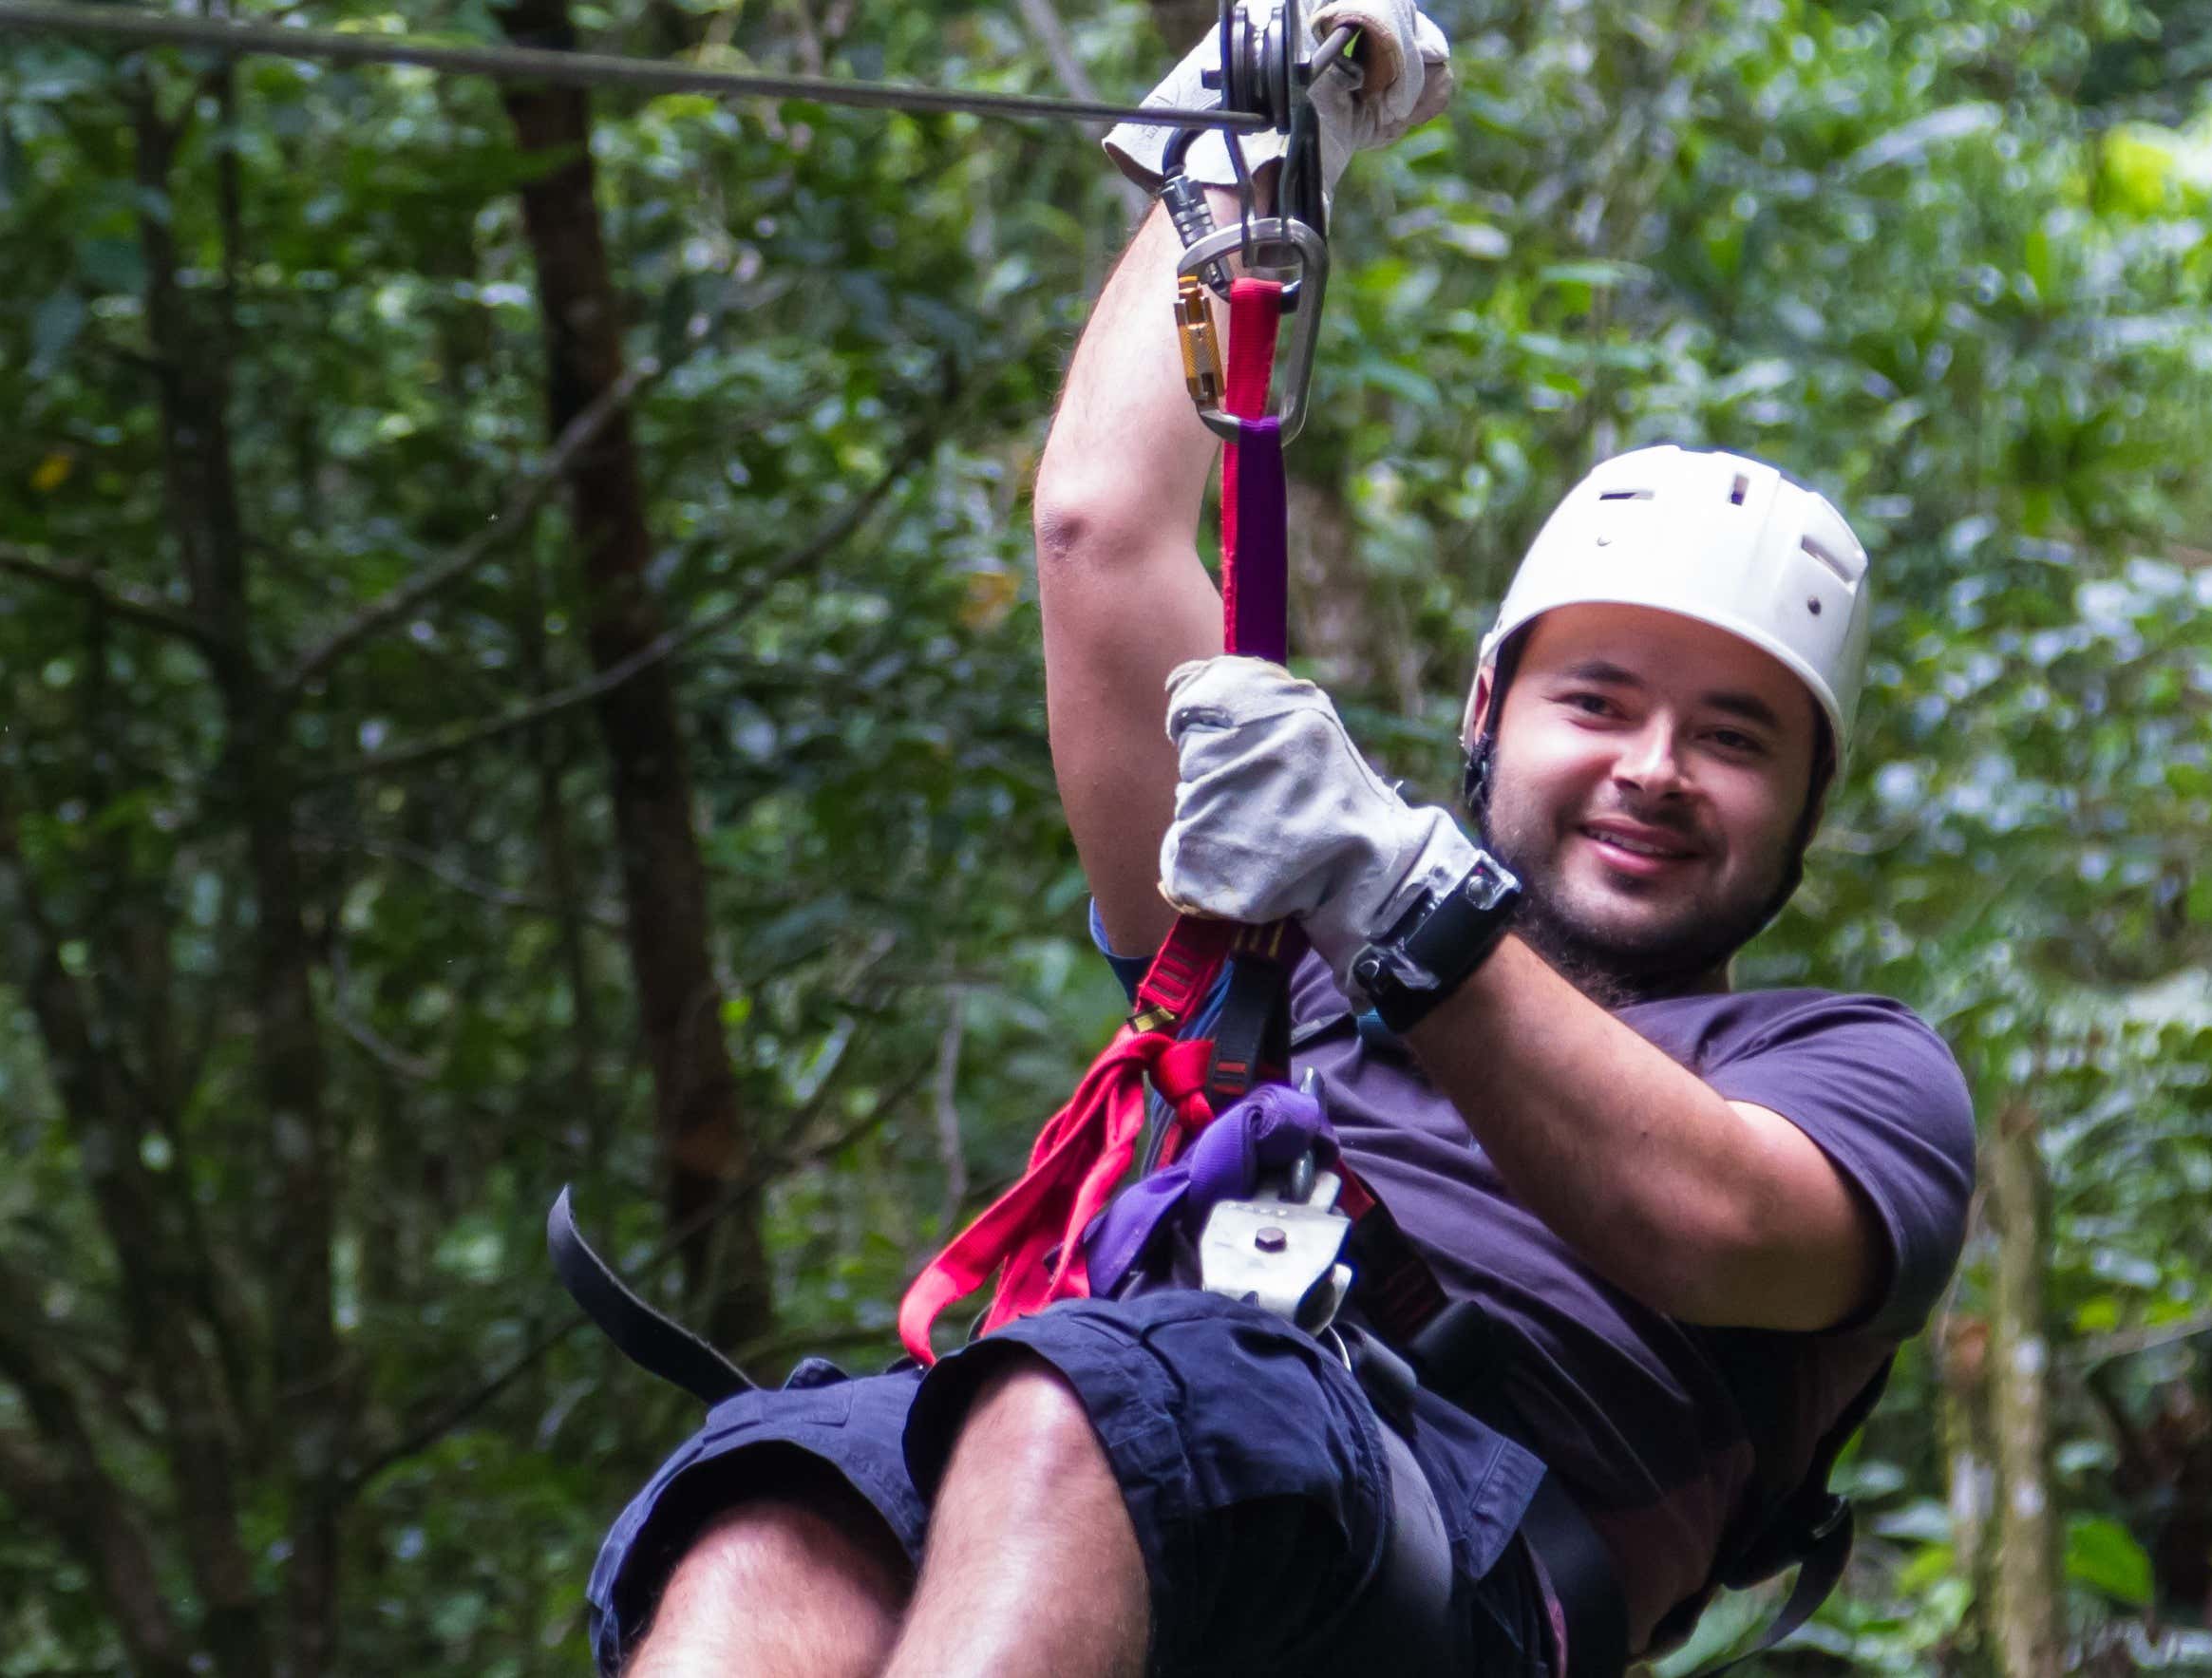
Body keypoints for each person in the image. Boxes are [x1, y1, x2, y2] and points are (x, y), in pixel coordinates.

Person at [580, 5, 1973, 1673]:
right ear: (1486, 712)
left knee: (1071, 1414)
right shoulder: (1273, 937)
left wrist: (1386, 888)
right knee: (771, 1524)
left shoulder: (1849, 1073)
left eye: (1734, 739)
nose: (1656, 768)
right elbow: (1100, 533)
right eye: (1598, 702)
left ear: (1803, 809)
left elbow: (1710, 1219)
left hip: (1439, 1556)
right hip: (1129, 1457)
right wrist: (1242, 169)